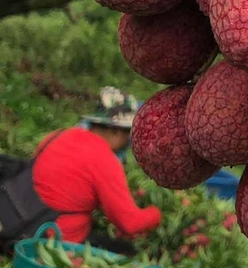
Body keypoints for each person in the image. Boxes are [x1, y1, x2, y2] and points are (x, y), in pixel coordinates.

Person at [32, 87, 161, 252]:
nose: (127, 143)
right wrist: (156, 214)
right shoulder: (104, 159)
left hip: (25, 222)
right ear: (115, 131)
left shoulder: (57, 135)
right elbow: (130, 224)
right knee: (127, 250)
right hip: (57, 240)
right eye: (127, 135)